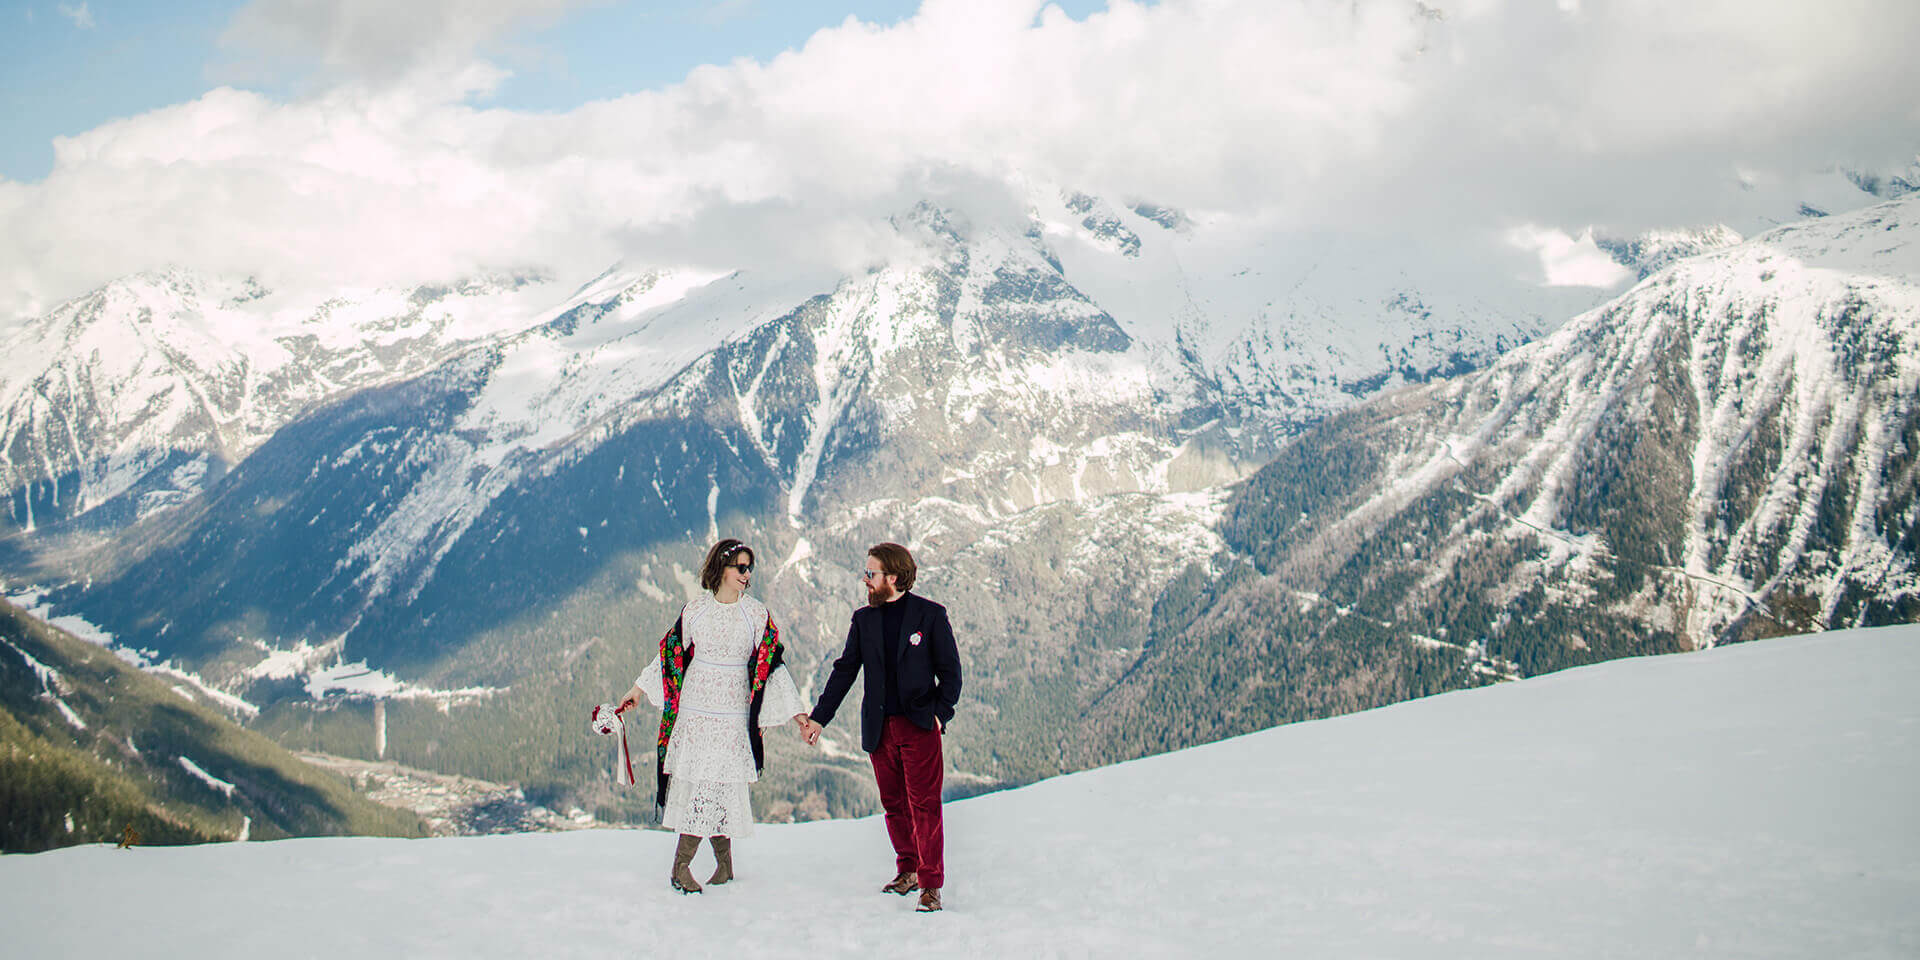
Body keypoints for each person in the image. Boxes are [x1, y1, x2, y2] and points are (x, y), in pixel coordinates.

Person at [618, 538, 811, 893]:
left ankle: (723, 867)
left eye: (749, 567)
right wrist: (637, 690)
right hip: (696, 713)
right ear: (720, 568)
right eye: (740, 567)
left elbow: (772, 665)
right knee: (703, 784)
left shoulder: (755, 613)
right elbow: (669, 658)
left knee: (720, 784)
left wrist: (797, 712)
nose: (746, 573)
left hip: (733, 714)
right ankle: (681, 868)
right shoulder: (695, 611)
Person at [800, 542, 963, 912]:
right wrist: (819, 718)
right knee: (894, 806)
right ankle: (907, 870)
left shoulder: (931, 616)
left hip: (920, 726)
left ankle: (930, 884)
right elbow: (845, 671)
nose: (865, 579)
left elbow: (951, 673)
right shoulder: (864, 620)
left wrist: (940, 714)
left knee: (925, 806)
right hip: (879, 729)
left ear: (893, 577)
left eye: (871, 573)